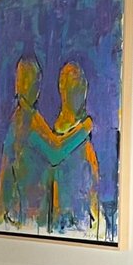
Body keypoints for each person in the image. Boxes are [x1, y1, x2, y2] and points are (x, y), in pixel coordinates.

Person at [0, 54, 91, 230]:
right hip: (26, 216)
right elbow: (55, 153)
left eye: (36, 79)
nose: (34, 86)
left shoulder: (24, 117)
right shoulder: (26, 120)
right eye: (31, 80)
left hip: (25, 214)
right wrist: (85, 128)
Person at [50, 60, 101, 236]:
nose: (80, 92)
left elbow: (92, 179)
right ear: (63, 89)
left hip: (82, 215)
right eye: (75, 85)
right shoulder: (73, 133)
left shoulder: (81, 130)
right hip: (68, 219)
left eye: (81, 85)